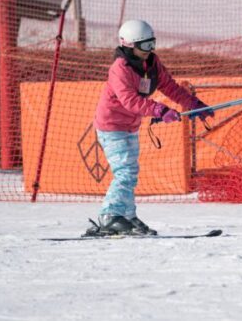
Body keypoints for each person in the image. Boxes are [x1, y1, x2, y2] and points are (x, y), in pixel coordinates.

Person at [90, 19, 214, 235]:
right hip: (112, 126)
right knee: (125, 172)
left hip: (130, 126)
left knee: (130, 171)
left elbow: (170, 87)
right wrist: (160, 110)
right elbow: (129, 100)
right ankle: (109, 215)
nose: (150, 50)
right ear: (129, 45)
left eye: (152, 43)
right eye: (145, 46)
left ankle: (128, 216)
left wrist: (192, 104)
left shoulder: (152, 63)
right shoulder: (120, 68)